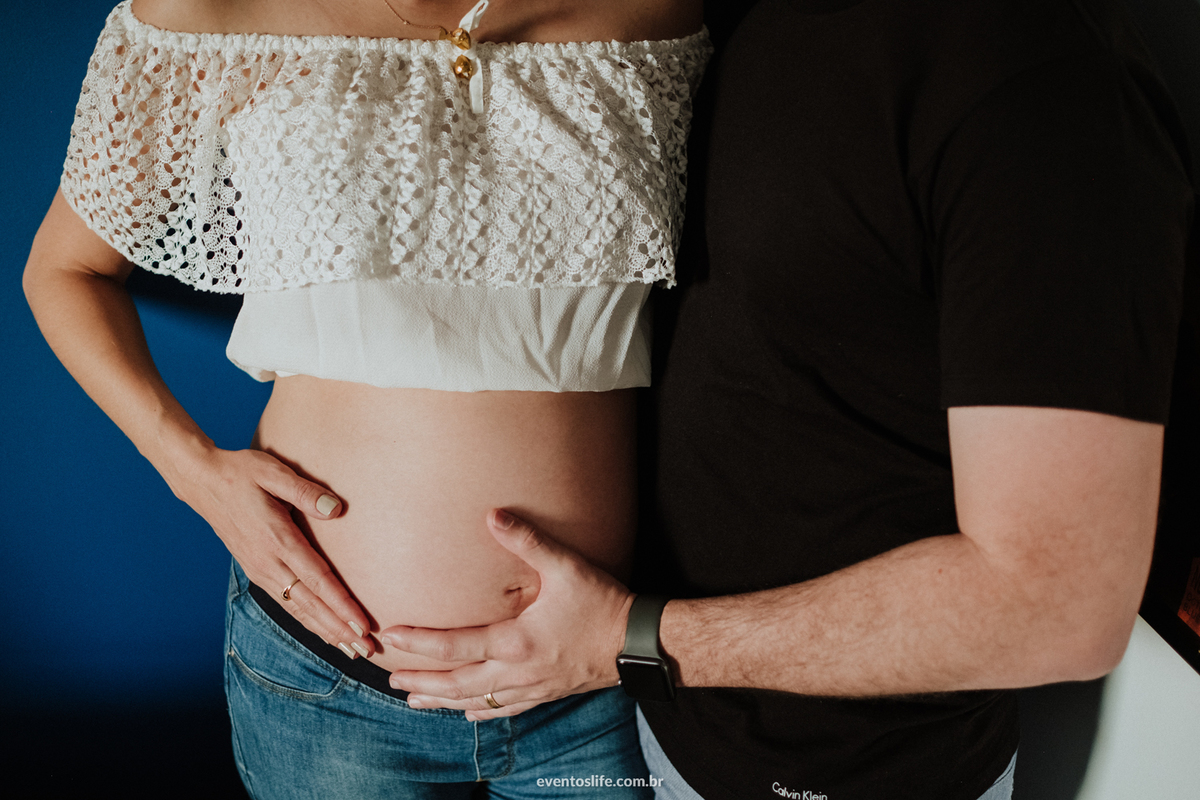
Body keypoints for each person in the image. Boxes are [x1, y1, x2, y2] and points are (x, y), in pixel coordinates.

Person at [375, 1, 1197, 799]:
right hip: (660, 729)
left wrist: (627, 639)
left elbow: (1057, 606)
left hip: (851, 771)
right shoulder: (727, 16)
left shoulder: (1046, 82)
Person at [22, 0, 709, 797]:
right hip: (334, 692)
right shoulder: (208, 10)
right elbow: (64, 270)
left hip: (597, 677)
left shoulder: (653, 11)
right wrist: (195, 475)